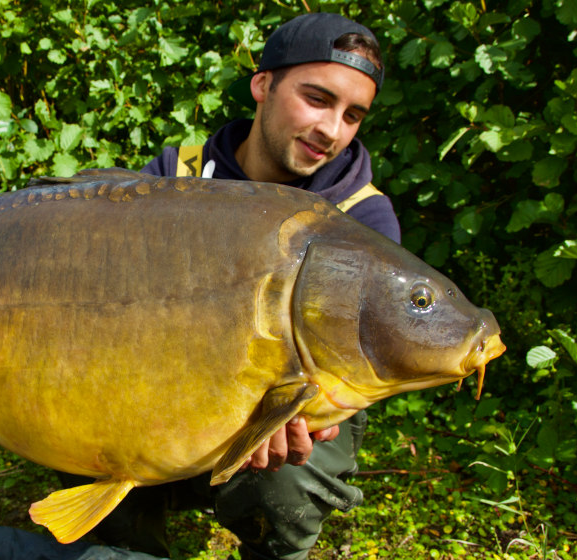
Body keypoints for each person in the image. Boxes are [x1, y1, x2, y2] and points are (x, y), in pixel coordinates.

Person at [77, 12, 400, 560]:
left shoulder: (361, 218)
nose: (333, 130)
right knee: (86, 407)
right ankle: (126, 542)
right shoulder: (176, 175)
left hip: (286, 389)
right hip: (166, 369)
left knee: (293, 469)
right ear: (262, 84)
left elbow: (346, 370)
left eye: (353, 115)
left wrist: (292, 412)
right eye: (317, 99)